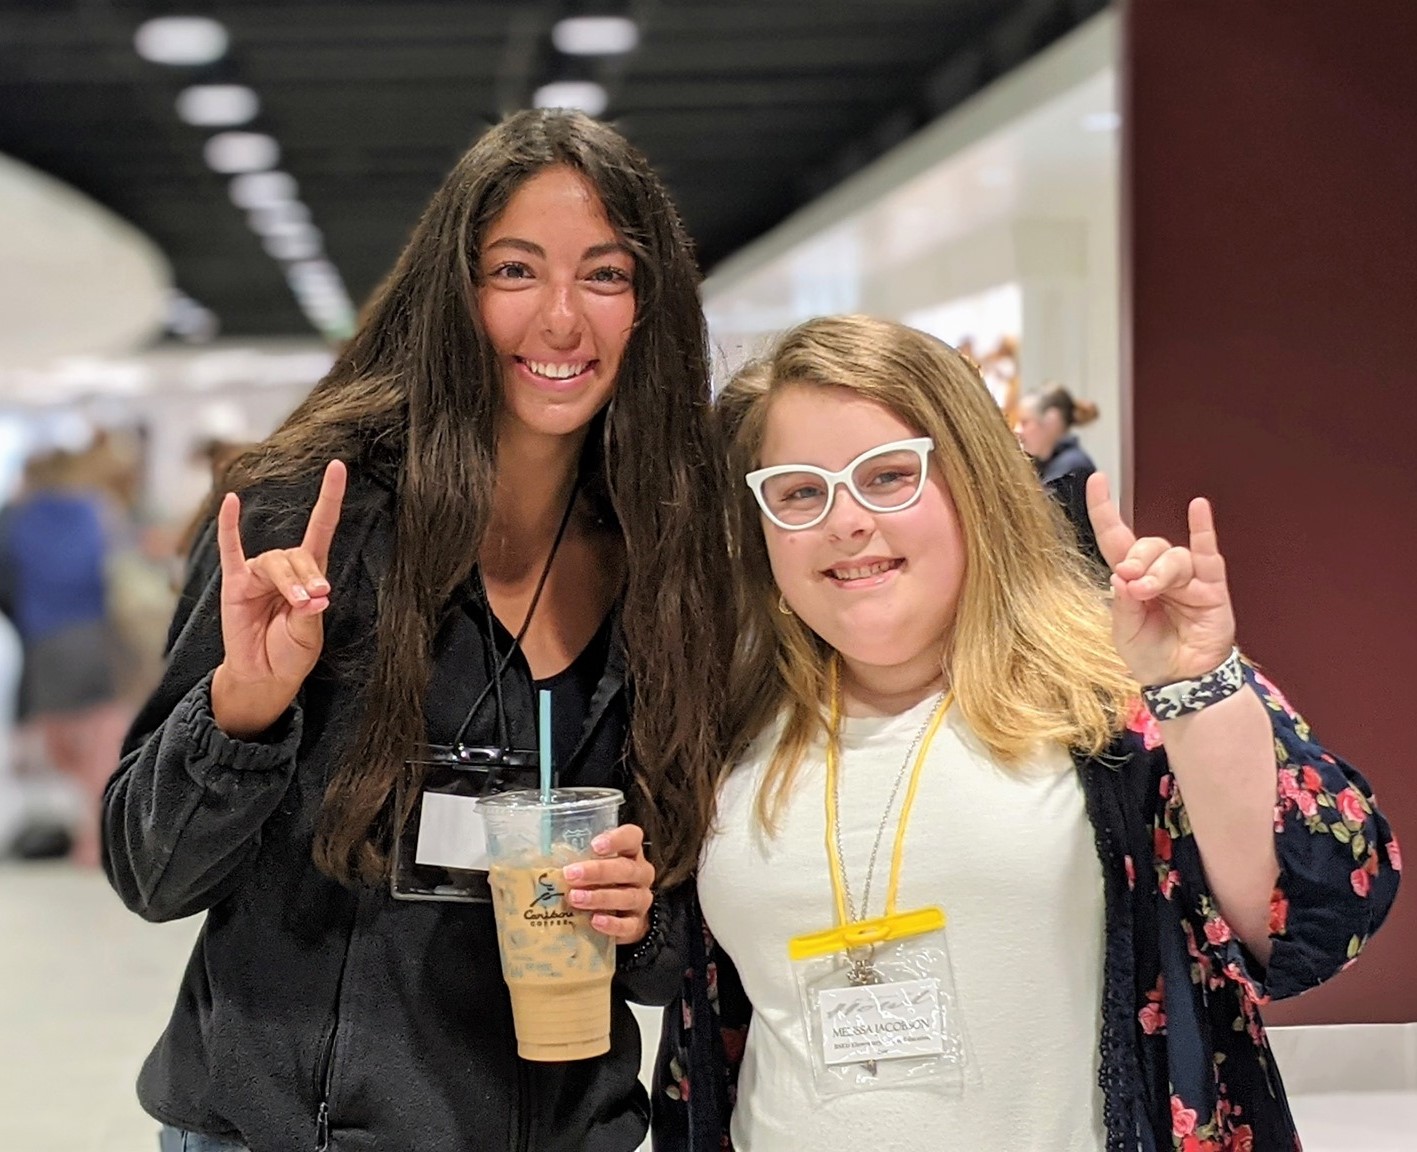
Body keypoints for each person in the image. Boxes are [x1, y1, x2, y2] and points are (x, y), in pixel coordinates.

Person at [102, 109, 733, 1152]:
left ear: (649, 306)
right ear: (455, 290)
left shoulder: (672, 559)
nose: (563, 319)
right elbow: (151, 873)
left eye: (607, 275)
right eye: (516, 271)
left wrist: (641, 911)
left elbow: (669, 960)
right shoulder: (317, 519)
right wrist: (242, 711)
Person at [653, 315, 1399, 1152]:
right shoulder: (724, 729)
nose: (845, 520)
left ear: (976, 488)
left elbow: (1309, 924)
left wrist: (1198, 690)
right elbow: (684, 992)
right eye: (798, 490)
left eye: (889, 475)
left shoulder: (1117, 698)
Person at [1015, 382, 1103, 568]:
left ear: (1051, 421)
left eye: (1025, 422)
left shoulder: (1067, 472)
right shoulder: (1051, 468)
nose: (1018, 430)